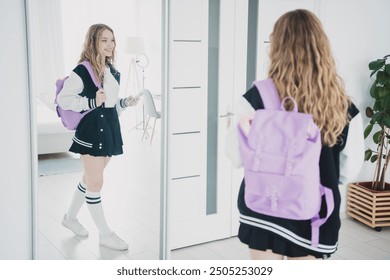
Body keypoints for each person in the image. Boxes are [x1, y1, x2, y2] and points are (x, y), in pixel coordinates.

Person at [225, 9, 364, 259]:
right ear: (322, 47)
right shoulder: (343, 107)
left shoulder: (255, 99)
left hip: (264, 207)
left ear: (277, 47)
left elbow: (236, 157)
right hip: (314, 215)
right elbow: (348, 170)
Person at [57, 23, 140, 251]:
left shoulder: (112, 71)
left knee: (89, 178)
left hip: (110, 128)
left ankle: (70, 218)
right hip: (92, 130)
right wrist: (92, 101)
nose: (110, 45)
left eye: (112, 40)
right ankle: (105, 234)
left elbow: (110, 105)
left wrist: (125, 103)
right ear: (93, 41)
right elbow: (64, 99)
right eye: (104, 40)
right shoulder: (83, 70)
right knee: (96, 182)